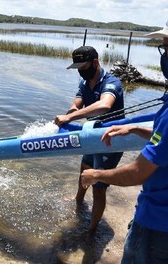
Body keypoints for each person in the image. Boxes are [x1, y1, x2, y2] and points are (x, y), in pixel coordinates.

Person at [81, 5, 168, 263]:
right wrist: (136, 127)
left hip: (161, 226)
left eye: (167, 47)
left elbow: (139, 172)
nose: (165, 54)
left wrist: (96, 175)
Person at [54, 46, 125, 234]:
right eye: (78, 67)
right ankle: (78, 200)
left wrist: (70, 118)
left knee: (98, 187)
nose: (81, 71)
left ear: (95, 62)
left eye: (83, 66)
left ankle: (92, 230)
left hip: (111, 141)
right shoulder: (84, 84)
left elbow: (104, 105)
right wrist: (69, 114)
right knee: (84, 170)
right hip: (92, 137)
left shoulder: (111, 82)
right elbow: (75, 106)